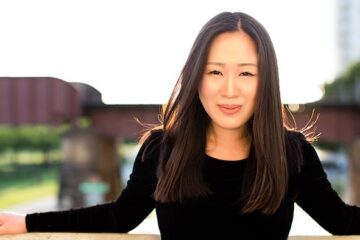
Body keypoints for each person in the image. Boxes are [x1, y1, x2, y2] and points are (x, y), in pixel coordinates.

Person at [0, 11, 359, 240]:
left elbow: (341, 221)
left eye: (247, 73)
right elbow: (118, 217)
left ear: (266, 82)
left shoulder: (292, 154)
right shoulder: (162, 149)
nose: (229, 90)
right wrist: (27, 223)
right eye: (215, 71)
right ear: (195, 77)